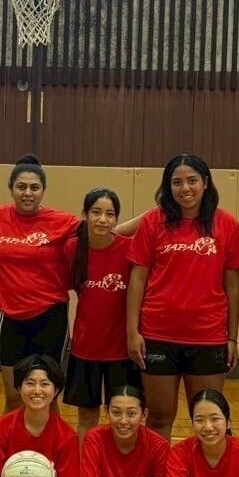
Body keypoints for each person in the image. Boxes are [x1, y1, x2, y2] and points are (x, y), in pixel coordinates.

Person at [127, 154, 239, 440]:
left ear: (205, 183)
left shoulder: (226, 224)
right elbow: (138, 278)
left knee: (209, 417)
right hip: (158, 334)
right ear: (168, 186)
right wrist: (132, 331)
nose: (185, 188)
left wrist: (232, 338)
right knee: (159, 416)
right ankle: (158, 471)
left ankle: (208, 471)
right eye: (177, 182)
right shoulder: (153, 221)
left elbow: (232, 285)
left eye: (192, 180)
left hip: (208, 336)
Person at [0, 155, 79, 411]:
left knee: (47, 396)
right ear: (11, 189)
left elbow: (101, 231)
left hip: (50, 316)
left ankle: (51, 439)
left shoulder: (62, 221)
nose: (27, 193)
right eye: (21, 187)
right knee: (14, 395)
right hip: (10, 318)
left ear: (43, 190)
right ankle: (11, 440)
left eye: (34, 187)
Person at [64, 188, 140, 443]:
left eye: (110, 214)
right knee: (87, 418)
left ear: (117, 219)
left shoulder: (129, 249)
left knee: (124, 417)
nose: (102, 219)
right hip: (85, 349)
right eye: (96, 212)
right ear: (85, 214)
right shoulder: (72, 248)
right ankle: (86, 466)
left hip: (122, 351)